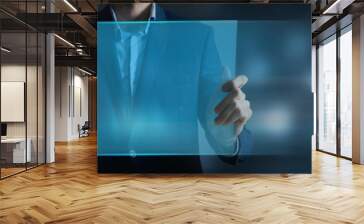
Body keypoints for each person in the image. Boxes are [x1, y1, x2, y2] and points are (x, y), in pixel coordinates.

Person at [98, 3, 253, 170]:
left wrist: (226, 139)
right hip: (101, 188)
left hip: (177, 187)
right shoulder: (89, 29)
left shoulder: (196, 36)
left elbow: (220, 115)